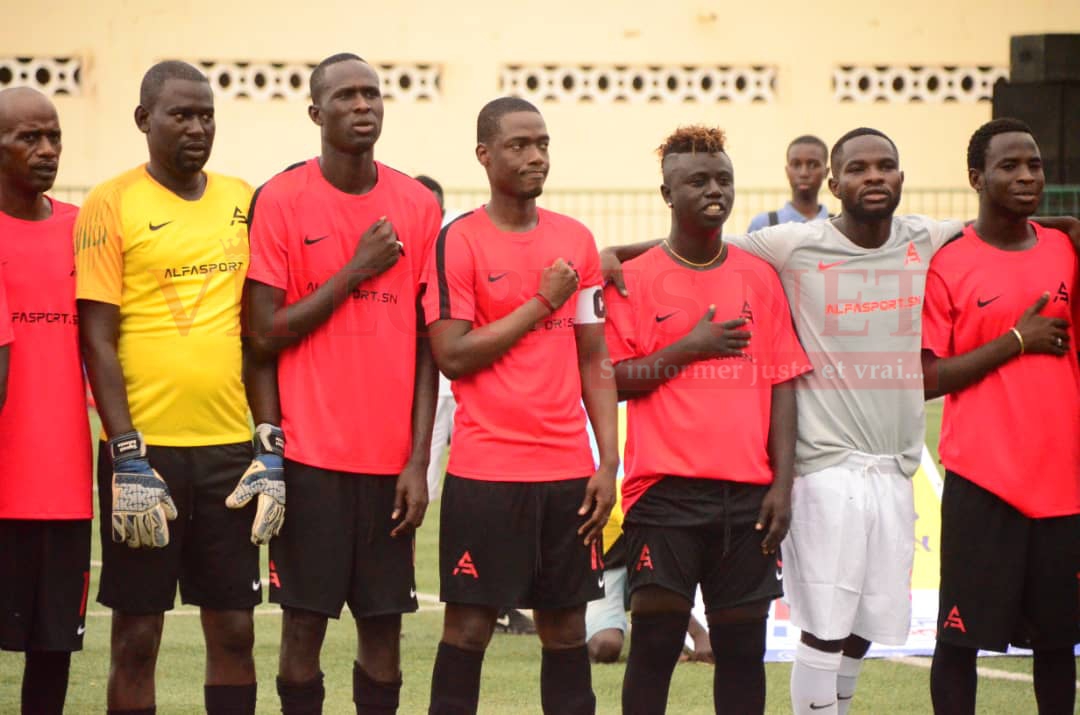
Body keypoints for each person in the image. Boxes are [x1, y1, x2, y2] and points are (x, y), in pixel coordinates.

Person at [243, 53, 440, 715]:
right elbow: (264, 333)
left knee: (384, 630)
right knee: (303, 626)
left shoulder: (417, 204)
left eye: (373, 94)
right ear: (315, 113)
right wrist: (354, 270)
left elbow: (426, 350)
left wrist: (417, 460)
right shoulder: (280, 199)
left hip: (390, 466)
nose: (364, 106)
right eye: (347, 96)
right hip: (307, 460)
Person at [75, 61, 261, 715]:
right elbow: (95, 334)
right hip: (143, 456)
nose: (197, 127)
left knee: (236, 629)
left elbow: (259, 330)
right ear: (143, 120)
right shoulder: (112, 200)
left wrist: (268, 442)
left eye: (206, 114)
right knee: (137, 636)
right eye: (181, 114)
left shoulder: (243, 198)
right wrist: (125, 449)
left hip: (231, 453)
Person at [423, 96, 617, 715]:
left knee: (565, 632)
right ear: (484, 156)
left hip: (567, 475)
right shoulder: (459, 241)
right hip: (485, 475)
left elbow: (595, 361)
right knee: (468, 632)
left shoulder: (576, 239)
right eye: (518, 145)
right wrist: (540, 302)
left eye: (542, 143)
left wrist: (607, 461)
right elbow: (452, 355)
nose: (535, 156)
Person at [606, 125, 808, 714]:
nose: (713, 189)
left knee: (742, 651)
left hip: (747, 499)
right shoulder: (633, 279)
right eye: (696, 180)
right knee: (656, 646)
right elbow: (613, 381)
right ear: (667, 193)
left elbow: (783, 383)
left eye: (723, 179)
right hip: (663, 494)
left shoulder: (759, 277)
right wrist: (687, 348)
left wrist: (781, 484)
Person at [921, 118, 1080, 715]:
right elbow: (926, 378)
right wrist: (1017, 339)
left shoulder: (1067, 249)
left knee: (1058, 644)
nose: (1026, 176)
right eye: (1010, 166)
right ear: (976, 178)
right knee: (959, 641)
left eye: (1034, 165)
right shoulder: (949, 263)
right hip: (982, 481)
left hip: (1062, 484)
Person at [0, 87, 92, 715]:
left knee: (53, 653)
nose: (47, 150)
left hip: (64, 485)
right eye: (28, 138)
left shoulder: (82, 228)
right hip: (3, 484)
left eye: (53, 136)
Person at [746, 135, 830, 231]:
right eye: (796, 164)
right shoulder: (764, 224)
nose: (804, 173)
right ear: (787, 171)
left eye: (813, 165)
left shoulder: (838, 227)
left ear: (826, 172)